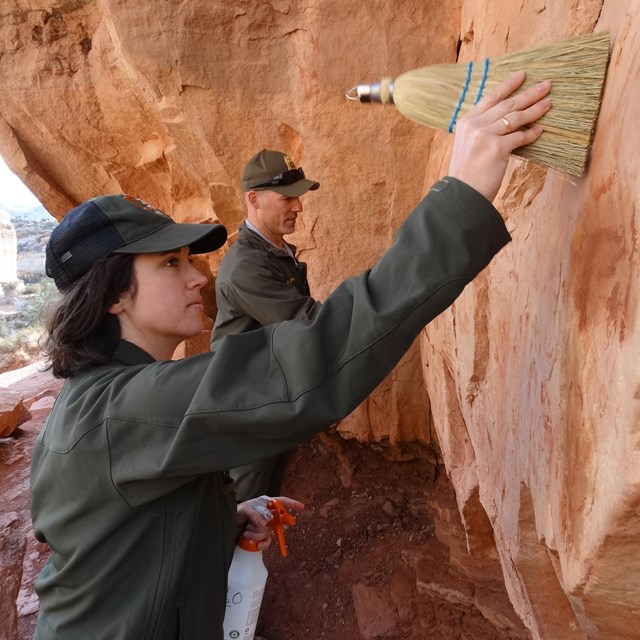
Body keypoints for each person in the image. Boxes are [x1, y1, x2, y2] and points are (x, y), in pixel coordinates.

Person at [30, 70, 551, 640]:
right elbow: (314, 359)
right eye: (170, 264)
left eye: (188, 259)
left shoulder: (99, 403)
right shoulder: (122, 411)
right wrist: (463, 198)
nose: (197, 277)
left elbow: (112, 532)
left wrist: (222, 522)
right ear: (110, 296)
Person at [211, 149, 322, 501]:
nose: (299, 207)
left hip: (270, 404)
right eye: (288, 198)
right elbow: (308, 325)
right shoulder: (246, 267)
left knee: (265, 503)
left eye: (299, 197)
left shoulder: (275, 250)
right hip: (248, 414)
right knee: (245, 508)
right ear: (254, 199)